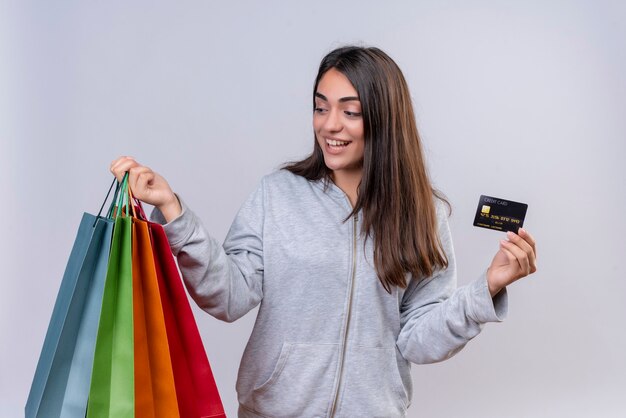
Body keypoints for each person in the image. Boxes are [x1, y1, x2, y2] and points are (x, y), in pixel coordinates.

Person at [110, 45, 537, 418]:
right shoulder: (278, 194)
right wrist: (172, 208)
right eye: (320, 107)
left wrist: (486, 289)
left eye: (349, 112)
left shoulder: (423, 212)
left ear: (384, 120)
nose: (329, 125)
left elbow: (418, 341)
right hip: (272, 411)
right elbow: (229, 295)